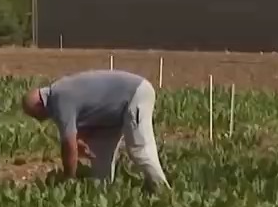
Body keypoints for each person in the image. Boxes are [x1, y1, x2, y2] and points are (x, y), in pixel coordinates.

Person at [21, 69, 171, 190]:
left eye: (36, 115)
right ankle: (103, 192)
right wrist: (80, 140)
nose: (39, 120)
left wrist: (68, 177)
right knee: (99, 155)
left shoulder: (59, 99)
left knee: (139, 149)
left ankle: (163, 191)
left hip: (135, 94)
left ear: (39, 105)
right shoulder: (58, 93)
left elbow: (68, 144)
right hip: (111, 113)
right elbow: (87, 117)